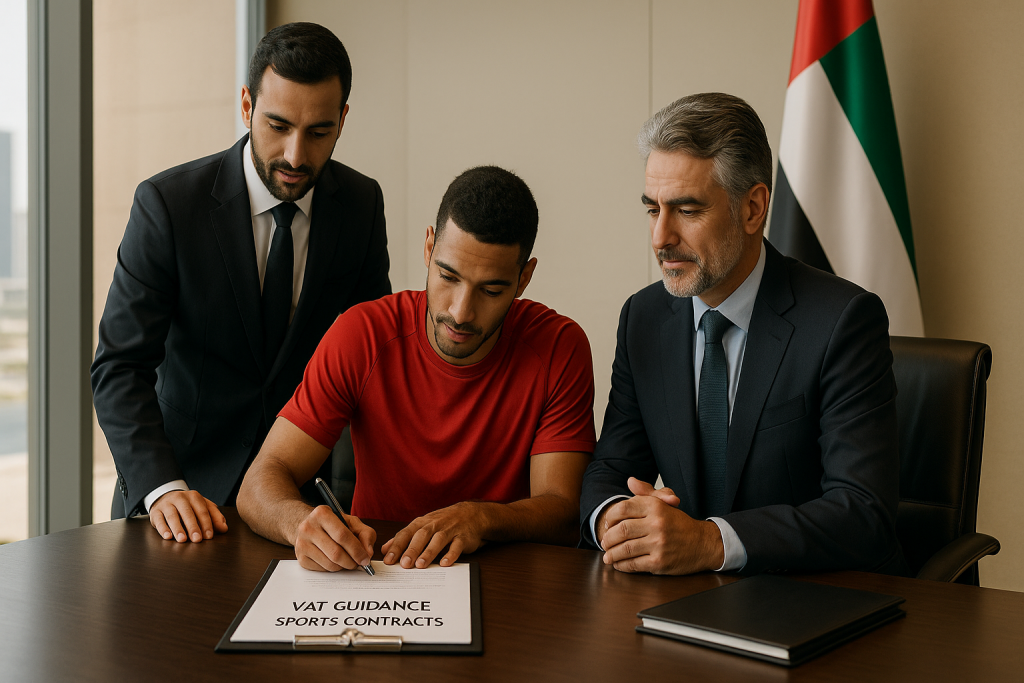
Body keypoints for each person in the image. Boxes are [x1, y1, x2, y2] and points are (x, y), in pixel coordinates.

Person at [580, 92, 907, 576]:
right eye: (653, 209)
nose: (660, 238)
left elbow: (863, 513)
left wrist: (711, 543)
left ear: (753, 208)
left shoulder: (843, 321)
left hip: (814, 603)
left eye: (687, 211)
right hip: (685, 604)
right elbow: (609, 471)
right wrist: (617, 520)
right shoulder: (643, 319)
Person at [91, 22, 391, 544]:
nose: (296, 155)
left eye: (319, 132)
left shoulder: (362, 205)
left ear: (343, 119)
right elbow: (119, 367)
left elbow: (370, 359)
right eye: (278, 125)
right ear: (248, 105)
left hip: (302, 507)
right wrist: (161, 487)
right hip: (183, 502)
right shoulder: (167, 206)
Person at [237, 166, 595, 572]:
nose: (461, 312)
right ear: (429, 247)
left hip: (504, 579)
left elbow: (564, 511)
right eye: (447, 276)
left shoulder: (559, 347)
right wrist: (300, 523)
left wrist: (482, 517)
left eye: (492, 290)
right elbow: (259, 483)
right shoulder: (362, 334)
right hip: (375, 574)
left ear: (524, 277)